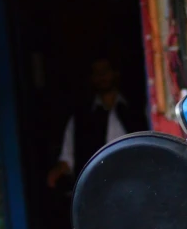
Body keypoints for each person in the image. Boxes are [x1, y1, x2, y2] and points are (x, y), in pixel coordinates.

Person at [47, 57, 148, 189]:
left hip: (137, 185)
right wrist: (57, 172)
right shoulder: (80, 120)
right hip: (98, 191)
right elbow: (67, 161)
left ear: (115, 73)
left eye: (105, 70)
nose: (101, 76)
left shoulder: (137, 110)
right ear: (91, 78)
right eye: (96, 72)